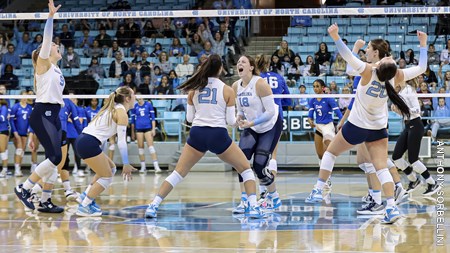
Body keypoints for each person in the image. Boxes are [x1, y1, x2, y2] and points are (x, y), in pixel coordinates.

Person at [306, 24, 428, 224]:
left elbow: (348, 58)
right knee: (380, 167)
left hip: (357, 125)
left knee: (330, 153)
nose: (390, 57)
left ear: (378, 59)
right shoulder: (395, 74)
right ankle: (390, 207)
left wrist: (336, 38)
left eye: (370, 49)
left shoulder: (369, 70)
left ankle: (319, 189)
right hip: (378, 127)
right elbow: (422, 68)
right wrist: (423, 45)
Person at [145, 54, 265, 219]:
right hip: (218, 135)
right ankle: (253, 207)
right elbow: (230, 121)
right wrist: (238, 121)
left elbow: (189, 118)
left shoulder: (193, 89)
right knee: (245, 169)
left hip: (197, 134)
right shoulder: (228, 90)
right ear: (220, 69)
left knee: (178, 173)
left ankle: (153, 205)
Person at [14, 0, 66, 213]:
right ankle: (24, 188)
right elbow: (47, 38)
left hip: (53, 114)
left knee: (55, 159)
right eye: (54, 45)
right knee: (55, 157)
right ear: (45, 51)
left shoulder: (55, 69)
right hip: (43, 112)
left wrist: (35, 138)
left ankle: (45, 200)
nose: (56, 45)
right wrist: (50, 17)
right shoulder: (43, 64)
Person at [231, 55, 282, 214]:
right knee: (241, 161)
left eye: (243, 62)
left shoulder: (260, 83)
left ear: (251, 67)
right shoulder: (235, 86)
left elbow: (270, 112)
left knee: (260, 166)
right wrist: (239, 116)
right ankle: (244, 200)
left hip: (270, 125)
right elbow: (240, 107)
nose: (239, 63)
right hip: (251, 125)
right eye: (238, 62)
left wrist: (251, 123)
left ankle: (274, 196)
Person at [75, 86, 137, 216]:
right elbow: (121, 141)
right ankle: (85, 205)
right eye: (133, 95)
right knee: (107, 176)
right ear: (127, 99)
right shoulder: (121, 113)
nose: (135, 97)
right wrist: (126, 163)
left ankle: (85, 195)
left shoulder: (114, 108)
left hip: (85, 141)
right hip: (88, 142)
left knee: (111, 168)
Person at [391, 81, 442, 196]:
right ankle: (414, 180)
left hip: (416, 125)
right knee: (396, 158)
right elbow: (405, 114)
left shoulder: (409, 90)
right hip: (408, 125)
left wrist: (403, 110)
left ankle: (432, 183)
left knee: (413, 160)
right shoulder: (401, 92)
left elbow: (417, 110)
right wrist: (397, 110)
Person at [255, 54, 291, 205]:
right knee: (273, 156)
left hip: (260, 118)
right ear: (269, 63)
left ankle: (263, 192)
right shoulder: (279, 77)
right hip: (277, 117)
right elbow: (288, 100)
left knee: (259, 157)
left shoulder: (256, 80)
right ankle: (270, 192)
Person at [306, 79, 342, 191]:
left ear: (323, 87)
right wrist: (310, 120)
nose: (315, 88)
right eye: (314, 86)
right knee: (320, 155)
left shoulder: (328, 99)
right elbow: (310, 114)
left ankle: (327, 179)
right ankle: (325, 179)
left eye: (317, 86)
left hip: (328, 127)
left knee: (328, 154)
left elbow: (338, 112)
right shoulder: (312, 100)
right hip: (319, 127)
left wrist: (342, 122)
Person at [130, 92, 162, 173]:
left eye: (141, 97)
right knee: (140, 149)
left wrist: (153, 129)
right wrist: (132, 133)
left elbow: (153, 118)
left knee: (151, 147)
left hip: (148, 128)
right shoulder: (135, 106)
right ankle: (143, 167)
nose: (139, 99)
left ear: (143, 97)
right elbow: (132, 121)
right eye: (138, 98)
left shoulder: (148, 105)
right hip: (138, 129)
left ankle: (156, 167)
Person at [10, 90, 33, 177]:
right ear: (20, 97)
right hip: (17, 132)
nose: (24, 98)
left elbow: (31, 122)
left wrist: (29, 130)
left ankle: (18, 168)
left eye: (26, 96)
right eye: (23, 96)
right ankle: (16, 170)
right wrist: (15, 132)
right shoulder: (15, 107)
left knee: (22, 151)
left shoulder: (29, 108)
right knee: (19, 150)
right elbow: (11, 121)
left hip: (24, 133)